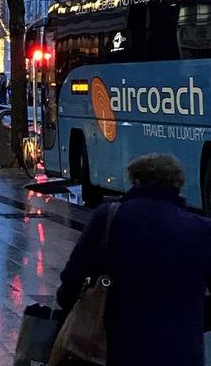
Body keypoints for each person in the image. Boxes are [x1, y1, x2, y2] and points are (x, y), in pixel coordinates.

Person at [56, 153, 211, 366]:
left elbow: (72, 280)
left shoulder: (108, 218)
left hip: (118, 350)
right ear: (178, 184)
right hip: (182, 353)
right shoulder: (202, 230)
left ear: (136, 181)